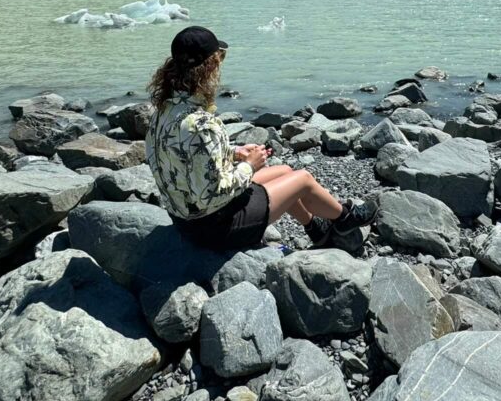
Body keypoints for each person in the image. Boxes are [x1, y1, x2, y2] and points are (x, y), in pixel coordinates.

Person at [145, 25, 376, 250]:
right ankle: (345, 218)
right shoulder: (201, 124)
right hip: (215, 229)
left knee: (285, 172)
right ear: (209, 69)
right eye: (219, 61)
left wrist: (233, 153)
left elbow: (186, 157)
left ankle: (316, 229)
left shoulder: (163, 112)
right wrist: (249, 165)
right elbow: (211, 196)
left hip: (186, 220)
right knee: (303, 179)